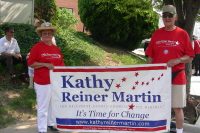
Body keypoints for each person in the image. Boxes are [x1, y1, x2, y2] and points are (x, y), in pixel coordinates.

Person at [145, 5, 194, 133]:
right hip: (159, 77)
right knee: (159, 105)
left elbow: (190, 56)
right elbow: (150, 55)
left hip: (177, 75)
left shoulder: (182, 34)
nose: (167, 18)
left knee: (177, 107)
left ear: (175, 17)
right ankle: (160, 129)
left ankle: (179, 131)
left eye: (170, 15)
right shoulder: (157, 33)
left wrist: (178, 60)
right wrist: (148, 73)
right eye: (165, 15)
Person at [28, 22, 65, 133]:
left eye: (49, 33)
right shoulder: (37, 47)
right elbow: (31, 63)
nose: (47, 35)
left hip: (54, 81)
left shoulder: (56, 49)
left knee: (52, 104)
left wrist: (64, 71)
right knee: (43, 106)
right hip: (42, 81)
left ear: (52, 35)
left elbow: (61, 63)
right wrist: (44, 64)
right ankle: (42, 129)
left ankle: (50, 124)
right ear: (41, 35)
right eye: (44, 33)